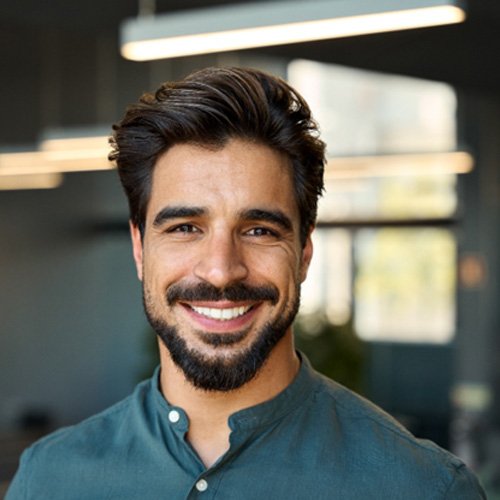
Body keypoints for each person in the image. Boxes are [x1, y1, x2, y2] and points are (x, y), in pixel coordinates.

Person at [7, 67, 485, 499]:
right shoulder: (50, 479)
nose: (220, 271)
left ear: (303, 253)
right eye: (184, 228)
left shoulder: (422, 488)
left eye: (259, 230)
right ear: (139, 248)